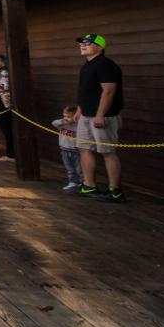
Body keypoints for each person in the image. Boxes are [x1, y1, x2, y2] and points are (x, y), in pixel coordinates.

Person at [74, 34, 124, 203]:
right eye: (82, 43)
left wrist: (100, 114)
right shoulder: (87, 66)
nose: (83, 45)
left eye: (88, 43)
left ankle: (115, 191)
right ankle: (89, 186)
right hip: (86, 116)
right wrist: (80, 109)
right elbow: (85, 90)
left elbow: (109, 91)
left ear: (100, 47)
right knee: (84, 148)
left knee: (108, 152)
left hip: (103, 117)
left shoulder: (106, 65)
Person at [52, 105, 82, 192]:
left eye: (68, 117)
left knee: (79, 168)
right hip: (64, 149)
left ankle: (81, 183)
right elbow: (53, 123)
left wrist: (74, 121)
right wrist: (64, 121)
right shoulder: (62, 124)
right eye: (64, 116)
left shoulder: (78, 126)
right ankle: (72, 182)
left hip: (76, 151)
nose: (66, 118)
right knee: (70, 168)